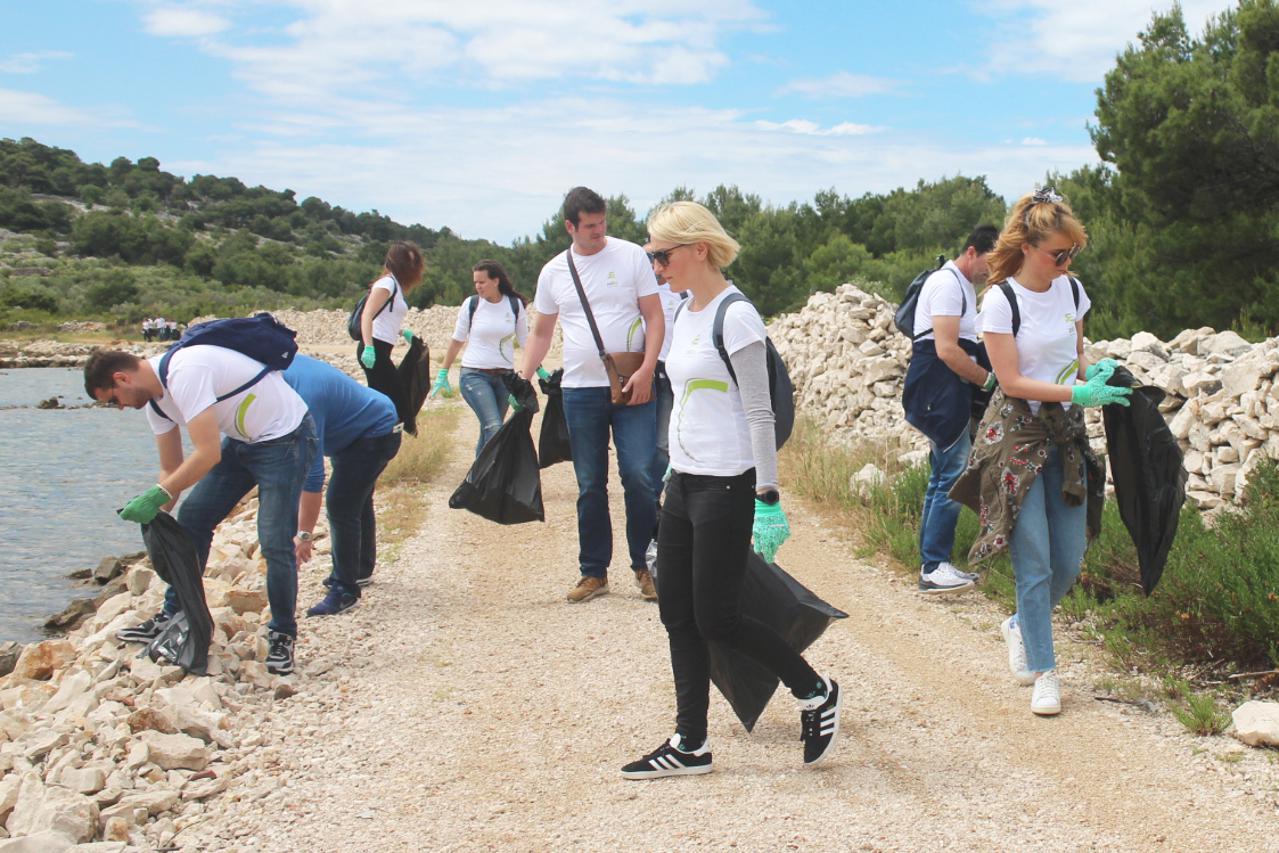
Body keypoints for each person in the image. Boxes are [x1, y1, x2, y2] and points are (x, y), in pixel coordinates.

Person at [620, 201, 841, 780]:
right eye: (650, 254)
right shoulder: (684, 310)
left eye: (660, 254)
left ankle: (815, 691)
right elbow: (688, 400)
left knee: (716, 617)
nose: (655, 263)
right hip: (686, 482)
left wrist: (768, 496)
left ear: (698, 250)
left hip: (728, 484)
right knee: (677, 613)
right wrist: (672, 468)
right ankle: (690, 741)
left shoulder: (736, 316)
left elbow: (760, 413)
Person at [951, 188, 1130, 716]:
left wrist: (1088, 374)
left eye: (1072, 252)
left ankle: (1019, 625)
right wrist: (1080, 392)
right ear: (1028, 247)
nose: (1066, 262)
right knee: (1033, 561)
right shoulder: (1000, 301)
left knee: (1068, 562)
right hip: (1016, 441)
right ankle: (1045, 674)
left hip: (1065, 438)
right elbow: (1010, 380)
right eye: (1058, 253)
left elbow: (1073, 358)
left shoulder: (1072, 292)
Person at [84, 347, 317, 676]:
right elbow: (170, 470)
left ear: (121, 378)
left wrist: (155, 497)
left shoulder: (184, 372)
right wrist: (157, 515)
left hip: (285, 437)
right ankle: (175, 612)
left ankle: (282, 634)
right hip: (243, 440)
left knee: (274, 540)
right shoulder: (156, 402)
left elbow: (207, 454)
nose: (119, 408)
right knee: (192, 518)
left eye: (113, 399)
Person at [517, 187, 664, 604]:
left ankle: (647, 566)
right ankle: (593, 572)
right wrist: (524, 376)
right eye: (591, 226)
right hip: (580, 390)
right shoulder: (553, 272)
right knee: (588, 484)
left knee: (640, 476)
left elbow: (654, 317)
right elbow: (542, 331)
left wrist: (648, 370)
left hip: (633, 383)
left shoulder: (631, 255)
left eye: (603, 224)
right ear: (570, 226)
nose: (600, 232)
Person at [906, 225, 998, 595]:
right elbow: (946, 349)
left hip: (943, 389)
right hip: (939, 388)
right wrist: (987, 381)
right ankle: (934, 565)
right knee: (952, 473)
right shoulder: (947, 285)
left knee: (941, 472)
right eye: (989, 264)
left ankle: (931, 560)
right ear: (972, 251)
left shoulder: (963, 287)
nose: (991, 273)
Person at [283, 354, 402, 615]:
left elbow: (313, 476)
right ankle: (359, 569)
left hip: (376, 432)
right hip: (358, 430)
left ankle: (345, 589)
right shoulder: (283, 367)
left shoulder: (303, 397)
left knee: (340, 504)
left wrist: (304, 534)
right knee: (357, 499)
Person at [430, 260, 537, 456]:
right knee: (494, 427)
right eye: (475, 282)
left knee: (488, 429)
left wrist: (537, 368)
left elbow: (525, 340)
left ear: (496, 281)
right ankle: (490, 479)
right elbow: (457, 341)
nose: (478, 286)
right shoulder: (471, 305)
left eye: (482, 282)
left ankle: (477, 481)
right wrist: (443, 372)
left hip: (505, 377)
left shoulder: (514, 305)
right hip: (474, 375)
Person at [357, 241, 425, 428]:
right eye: (408, 262)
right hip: (374, 347)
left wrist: (403, 332)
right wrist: (369, 347)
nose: (411, 268)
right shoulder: (387, 283)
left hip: (381, 347)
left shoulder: (395, 285)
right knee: (394, 398)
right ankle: (375, 437)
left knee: (386, 398)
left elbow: (385, 318)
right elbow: (367, 315)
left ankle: (377, 435)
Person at [649, 270, 687, 506]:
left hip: (685, 373)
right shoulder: (646, 294)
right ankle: (655, 498)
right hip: (659, 373)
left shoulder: (686, 291)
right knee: (662, 441)